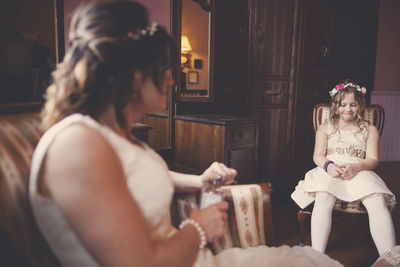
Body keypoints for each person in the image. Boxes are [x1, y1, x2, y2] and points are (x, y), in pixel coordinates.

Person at [29, 1, 343, 266]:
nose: (171, 80)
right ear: (132, 76)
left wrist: (199, 181)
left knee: (312, 260)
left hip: (196, 258)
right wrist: (199, 227)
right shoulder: (77, 145)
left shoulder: (113, 135)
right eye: (164, 69)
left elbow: (134, 179)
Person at [291, 80, 397, 256]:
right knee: (324, 195)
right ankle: (318, 254)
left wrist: (356, 167)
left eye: (353, 104)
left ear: (360, 105)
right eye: (343, 105)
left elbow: (373, 159)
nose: (348, 109)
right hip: (331, 169)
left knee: (376, 198)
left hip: (358, 169)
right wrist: (328, 166)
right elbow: (317, 155)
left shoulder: (369, 129)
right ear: (336, 106)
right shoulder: (325, 128)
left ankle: (390, 257)